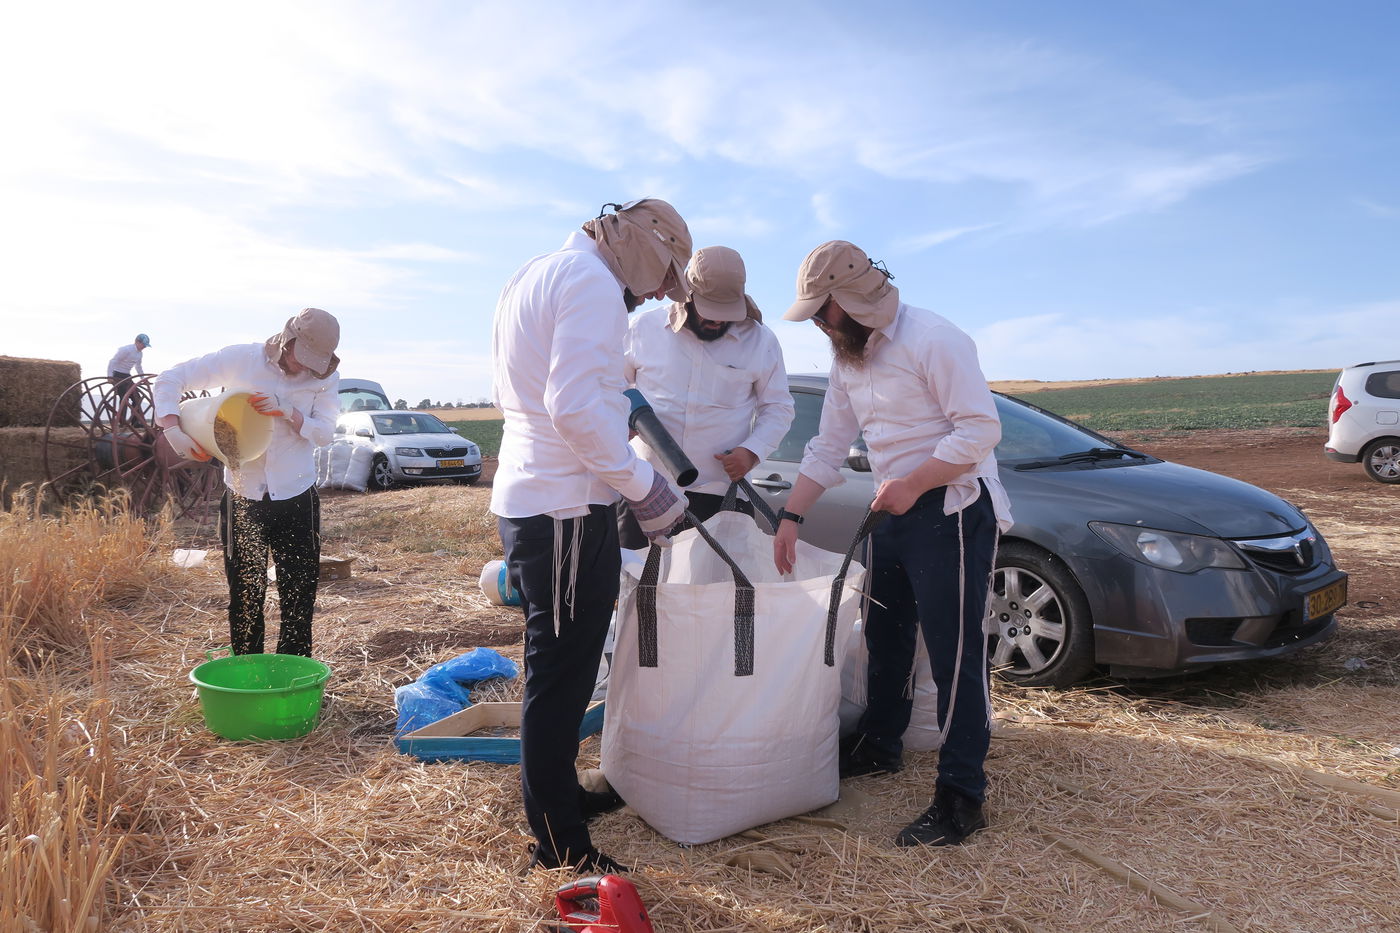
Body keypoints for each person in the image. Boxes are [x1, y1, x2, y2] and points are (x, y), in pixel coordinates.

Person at [771, 241, 1013, 847]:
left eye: (823, 314)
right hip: (896, 508)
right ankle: (881, 746)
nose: (821, 328)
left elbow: (981, 428)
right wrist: (791, 516)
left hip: (952, 508)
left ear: (852, 303)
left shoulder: (935, 338)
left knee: (955, 655)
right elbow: (827, 445)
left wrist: (914, 482)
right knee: (886, 633)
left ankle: (961, 797)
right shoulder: (848, 359)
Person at [491, 198, 692, 874]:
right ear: (640, 247)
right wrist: (645, 485)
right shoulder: (593, 285)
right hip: (568, 510)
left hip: (538, 498)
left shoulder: (538, 272)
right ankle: (560, 841)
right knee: (563, 671)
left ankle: (557, 794)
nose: (660, 293)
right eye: (665, 274)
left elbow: (566, 397)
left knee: (560, 665)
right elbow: (572, 405)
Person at [152, 309, 341, 658]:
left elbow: (326, 433)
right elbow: (169, 378)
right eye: (302, 358)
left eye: (315, 363)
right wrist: (172, 428)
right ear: (289, 340)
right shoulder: (241, 359)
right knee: (245, 594)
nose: (305, 368)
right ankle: (246, 672)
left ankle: (293, 675)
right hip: (244, 498)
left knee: (299, 594)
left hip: (297, 496)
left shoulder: (325, 378)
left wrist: (290, 412)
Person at [618, 245, 794, 547]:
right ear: (687, 293)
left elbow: (779, 408)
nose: (716, 321)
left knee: (716, 592)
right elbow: (611, 389)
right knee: (637, 585)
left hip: (722, 497)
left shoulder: (761, 341)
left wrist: (751, 452)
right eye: (710, 310)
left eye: (725, 312)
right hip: (645, 488)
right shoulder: (642, 329)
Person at [108, 333, 151, 428]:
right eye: (143, 345)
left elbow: (138, 367)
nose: (144, 347)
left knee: (137, 398)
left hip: (127, 376)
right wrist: (110, 376)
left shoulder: (140, 354)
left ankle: (136, 422)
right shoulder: (126, 350)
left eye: (145, 346)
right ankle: (121, 422)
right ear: (137, 342)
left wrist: (143, 379)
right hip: (117, 374)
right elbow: (113, 361)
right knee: (124, 398)